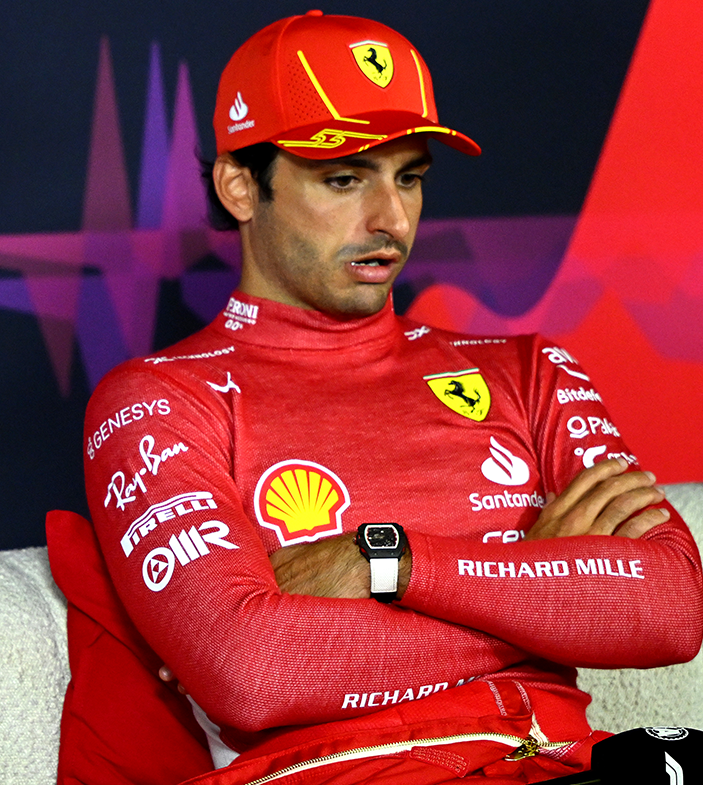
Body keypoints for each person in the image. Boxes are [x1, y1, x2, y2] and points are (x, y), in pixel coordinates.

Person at [49, 10, 703, 785]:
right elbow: (254, 671)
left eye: (410, 177)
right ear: (239, 187)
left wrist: (390, 562)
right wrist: (538, 582)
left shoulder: (529, 369)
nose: (391, 219)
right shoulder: (159, 399)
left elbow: (670, 609)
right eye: (344, 178)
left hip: (573, 762)